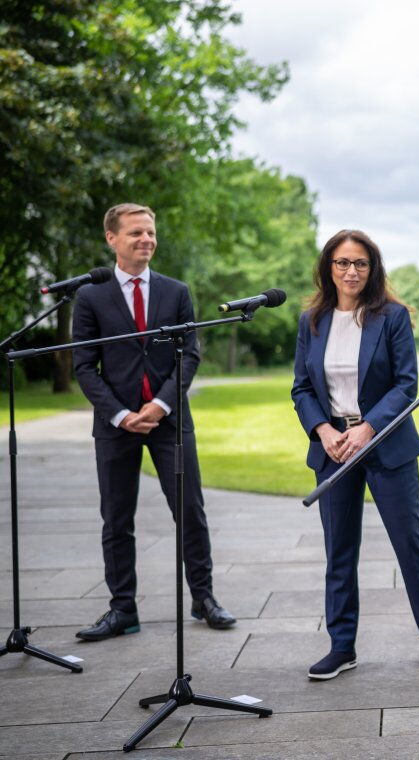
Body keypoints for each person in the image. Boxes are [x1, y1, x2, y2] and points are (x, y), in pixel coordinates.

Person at [291, 229, 419, 680]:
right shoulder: (312, 321)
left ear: (372, 268)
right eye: (342, 262)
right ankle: (341, 646)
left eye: (360, 263)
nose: (351, 271)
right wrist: (323, 430)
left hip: (386, 444)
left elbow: (406, 384)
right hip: (332, 447)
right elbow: (301, 388)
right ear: (329, 267)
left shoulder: (392, 317)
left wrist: (367, 428)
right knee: (339, 549)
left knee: (410, 541)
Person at [72, 203, 235, 641]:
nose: (146, 239)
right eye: (136, 233)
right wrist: (121, 414)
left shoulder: (176, 292)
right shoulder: (90, 296)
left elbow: (190, 355)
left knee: (190, 511)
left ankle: (204, 598)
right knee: (116, 518)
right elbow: (84, 365)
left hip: (169, 421)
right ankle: (122, 610)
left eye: (150, 232)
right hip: (115, 424)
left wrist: (161, 404)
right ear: (112, 238)